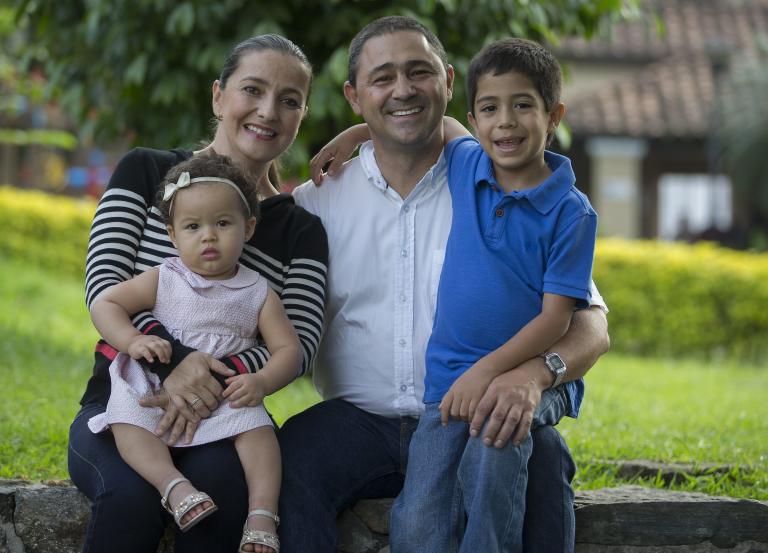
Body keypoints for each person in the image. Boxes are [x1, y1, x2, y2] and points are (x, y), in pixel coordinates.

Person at [280, 16, 608, 553]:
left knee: (541, 457)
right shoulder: (316, 205)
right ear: (353, 95)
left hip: (481, 409)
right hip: (360, 420)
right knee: (289, 459)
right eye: (382, 79)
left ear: (449, 85)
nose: (404, 90)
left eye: (419, 73)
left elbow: (588, 323)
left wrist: (534, 375)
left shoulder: (494, 182)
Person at [68, 34, 327, 553]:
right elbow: (104, 288)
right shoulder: (145, 172)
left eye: (289, 100)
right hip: (127, 402)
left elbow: (299, 345)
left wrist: (207, 379)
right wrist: (174, 362)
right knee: (128, 498)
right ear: (217, 96)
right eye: (251, 90)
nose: (267, 111)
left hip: (228, 414)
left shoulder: (302, 229)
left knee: (223, 498)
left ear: (302, 115)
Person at [389, 37, 597, 552]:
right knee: (417, 523)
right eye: (490, 108)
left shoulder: (572, 213)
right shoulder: (467, 164)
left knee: (494, 449)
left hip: (529, 379)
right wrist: (350, 137)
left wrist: (488, 373)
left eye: (523, 105)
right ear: (475, 119)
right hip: (449, 382)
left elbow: (555, 322)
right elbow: (417, 125)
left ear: (553, 116)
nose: (505, 121)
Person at [88, 154, 299, 552]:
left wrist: (263, 380)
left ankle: (262, 511)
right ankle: (173, 486)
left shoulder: (258, 291)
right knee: (127, 422)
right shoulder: (165, 277)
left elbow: (288, 348)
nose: (208, 236)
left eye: (222, 223)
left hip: (222, 396)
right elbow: (106, 304)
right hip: (154, 384)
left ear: (248, 228)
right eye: (192, 226)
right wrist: (133, 341)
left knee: (259, 432)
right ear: (172, 235)